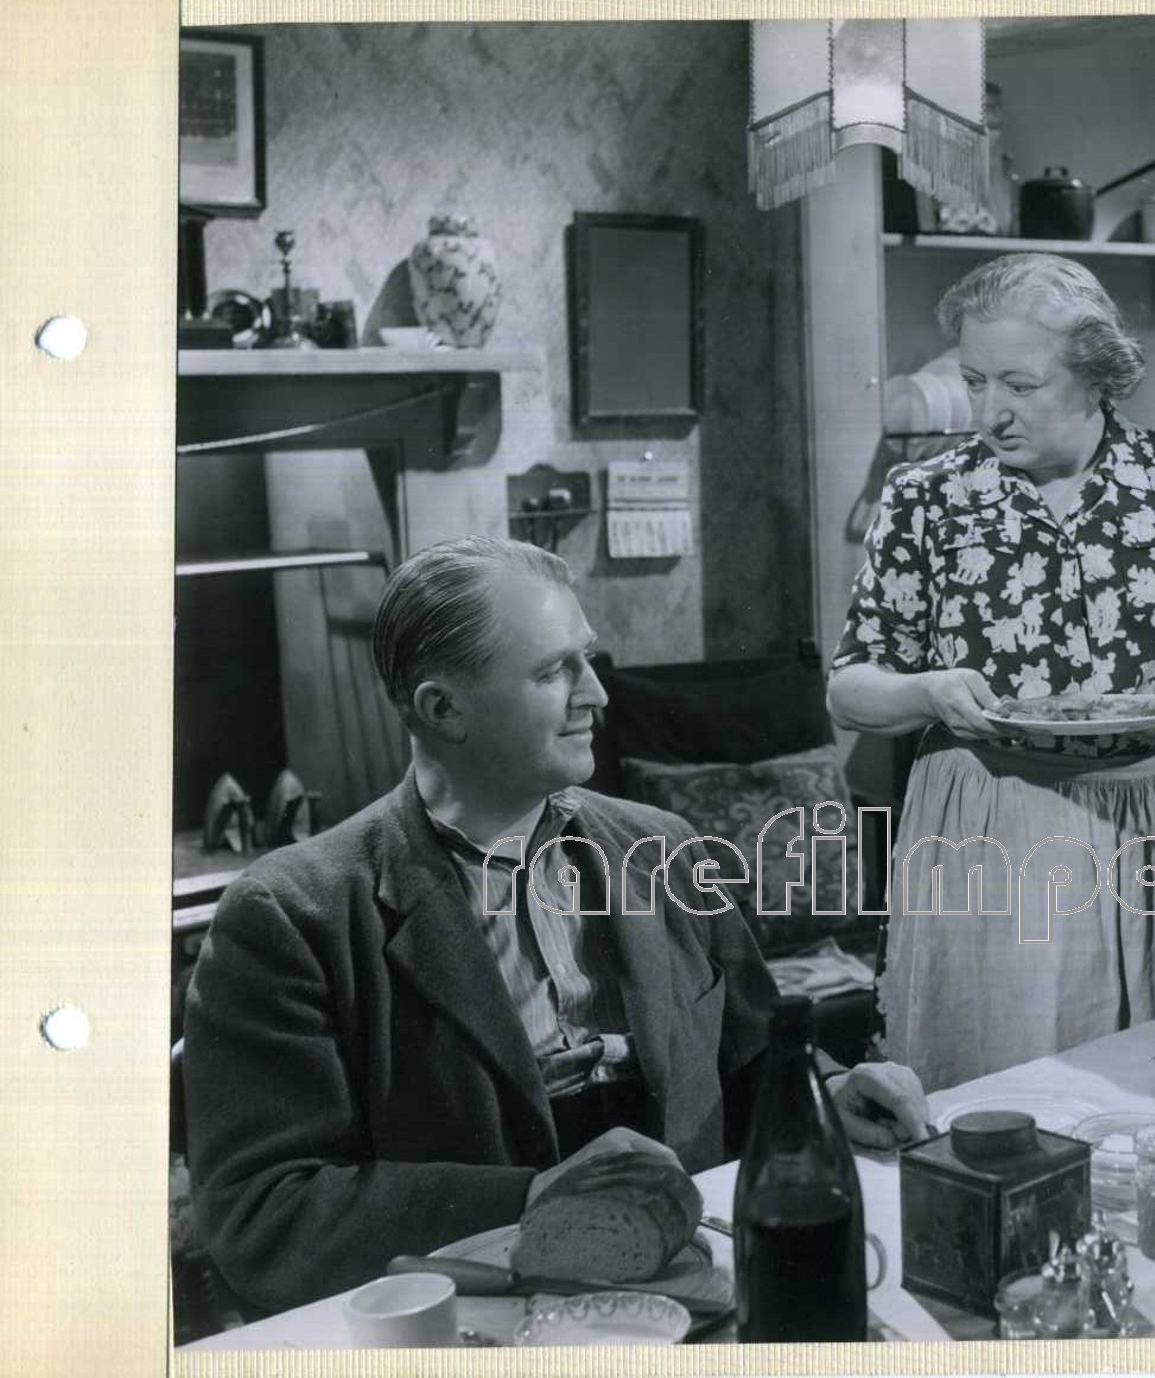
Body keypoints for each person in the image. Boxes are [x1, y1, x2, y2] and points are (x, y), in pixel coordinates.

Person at [184, 537, 928, 1315]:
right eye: (552, 672)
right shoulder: (289, 914)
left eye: (588, 659)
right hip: (479, 1318)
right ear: (443, 709)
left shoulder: (664, 847)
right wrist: (530, 1197)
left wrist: (826, 1092)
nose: (597, 694)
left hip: (686, 1288)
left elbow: (753, 1055)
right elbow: (263, 1214)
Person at [829, 253, 1155, 1091]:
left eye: (1020, 384)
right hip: (985, 813)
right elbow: (851, 683)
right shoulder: (925, 497)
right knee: (988, 1082)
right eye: (975, 382)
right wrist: (929, 691)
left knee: (1147, 1080)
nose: (990, 413)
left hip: (1145, 814)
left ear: (1095, 372)